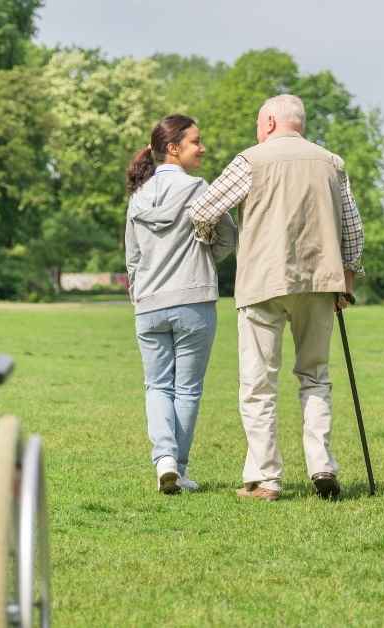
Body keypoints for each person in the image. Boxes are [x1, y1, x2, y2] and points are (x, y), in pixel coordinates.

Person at [188, 95, 365, 501]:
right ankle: (321, 465)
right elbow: (352, 228)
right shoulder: (331, 162)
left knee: (258, 384)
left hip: (263, 282)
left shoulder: (251, 160)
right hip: (321, 283)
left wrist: (214, 244)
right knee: (315, 375)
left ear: (268, 122)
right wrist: (347, 281)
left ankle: (265, 478)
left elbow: (202, 210)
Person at [124, 114, 236, 495]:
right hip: (193, 299)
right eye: (195, 142)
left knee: (156, 387)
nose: (202, 148)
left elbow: (133, 257)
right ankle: (180, 468)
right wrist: (204, 257)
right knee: (186, 389)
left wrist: (142, 291)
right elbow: (227, 238)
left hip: (149, 304)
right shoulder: (200, 189)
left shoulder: (138, 196)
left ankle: (164, 461)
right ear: (173, 148)